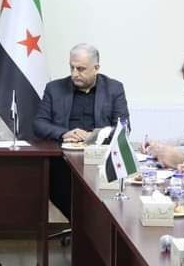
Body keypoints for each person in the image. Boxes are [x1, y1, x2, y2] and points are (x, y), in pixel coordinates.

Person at [33, 43, 130, 220]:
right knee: (53, 181)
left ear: (96, 68)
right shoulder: (54, 88)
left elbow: (123, 128)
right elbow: (39, 124)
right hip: (64, 159)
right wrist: (64, 133)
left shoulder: (114, 89)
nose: (74, 74)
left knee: (106, 196)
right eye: (72, 67)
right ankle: (82, 225)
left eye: (81, 69)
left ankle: (92, 228)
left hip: (100, 159)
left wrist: (95, 136)